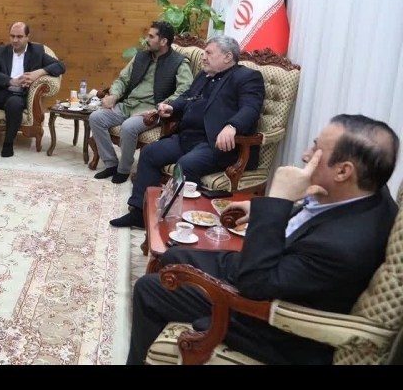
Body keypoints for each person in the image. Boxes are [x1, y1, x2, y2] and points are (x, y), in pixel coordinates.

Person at [127, 114, 400, 365]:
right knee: (172, 255)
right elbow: (318, 218)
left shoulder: (344, 246)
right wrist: (264, 209)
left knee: (150, 289)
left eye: (316, 150)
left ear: (343, 172)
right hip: (281, 271)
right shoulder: (369, 193)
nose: (305, 155)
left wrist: (277, 200)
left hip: (269, 320)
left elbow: (254, 284)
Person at [111, 35, 265, 228]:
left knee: (186, 165)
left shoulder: (247, 77)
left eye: (209, 53)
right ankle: (139, 213)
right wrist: (172, 107)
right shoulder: (204, 75)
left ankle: (183, 222)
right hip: (187, 138)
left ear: (227, 57)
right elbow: (187, 97)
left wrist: (232, 126)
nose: (203, 57)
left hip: (214, 144)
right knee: (150, 153)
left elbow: (251, 108)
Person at [90, 21, 192, 184]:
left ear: (163, 41)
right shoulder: (140, 56)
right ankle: (111, 164)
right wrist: (114, 96)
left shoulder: (179, 62)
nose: (146, 39)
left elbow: (185, 91)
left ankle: (123, 170)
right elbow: (123, 79)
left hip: (150, 111)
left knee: (128, 127)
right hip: (128, 105)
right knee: (96, 118)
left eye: (151, 36)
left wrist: (162, 106)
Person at [0, 22, 65, 158]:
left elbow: (60, 66)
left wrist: (39, 72)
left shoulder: (37, 51)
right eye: (12, 36)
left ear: (27, 37)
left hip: (18, 94)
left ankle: (8, 144)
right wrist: (11, 81)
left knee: (14, 104)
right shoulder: (0, 51)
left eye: (19, 37)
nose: (15, 40)